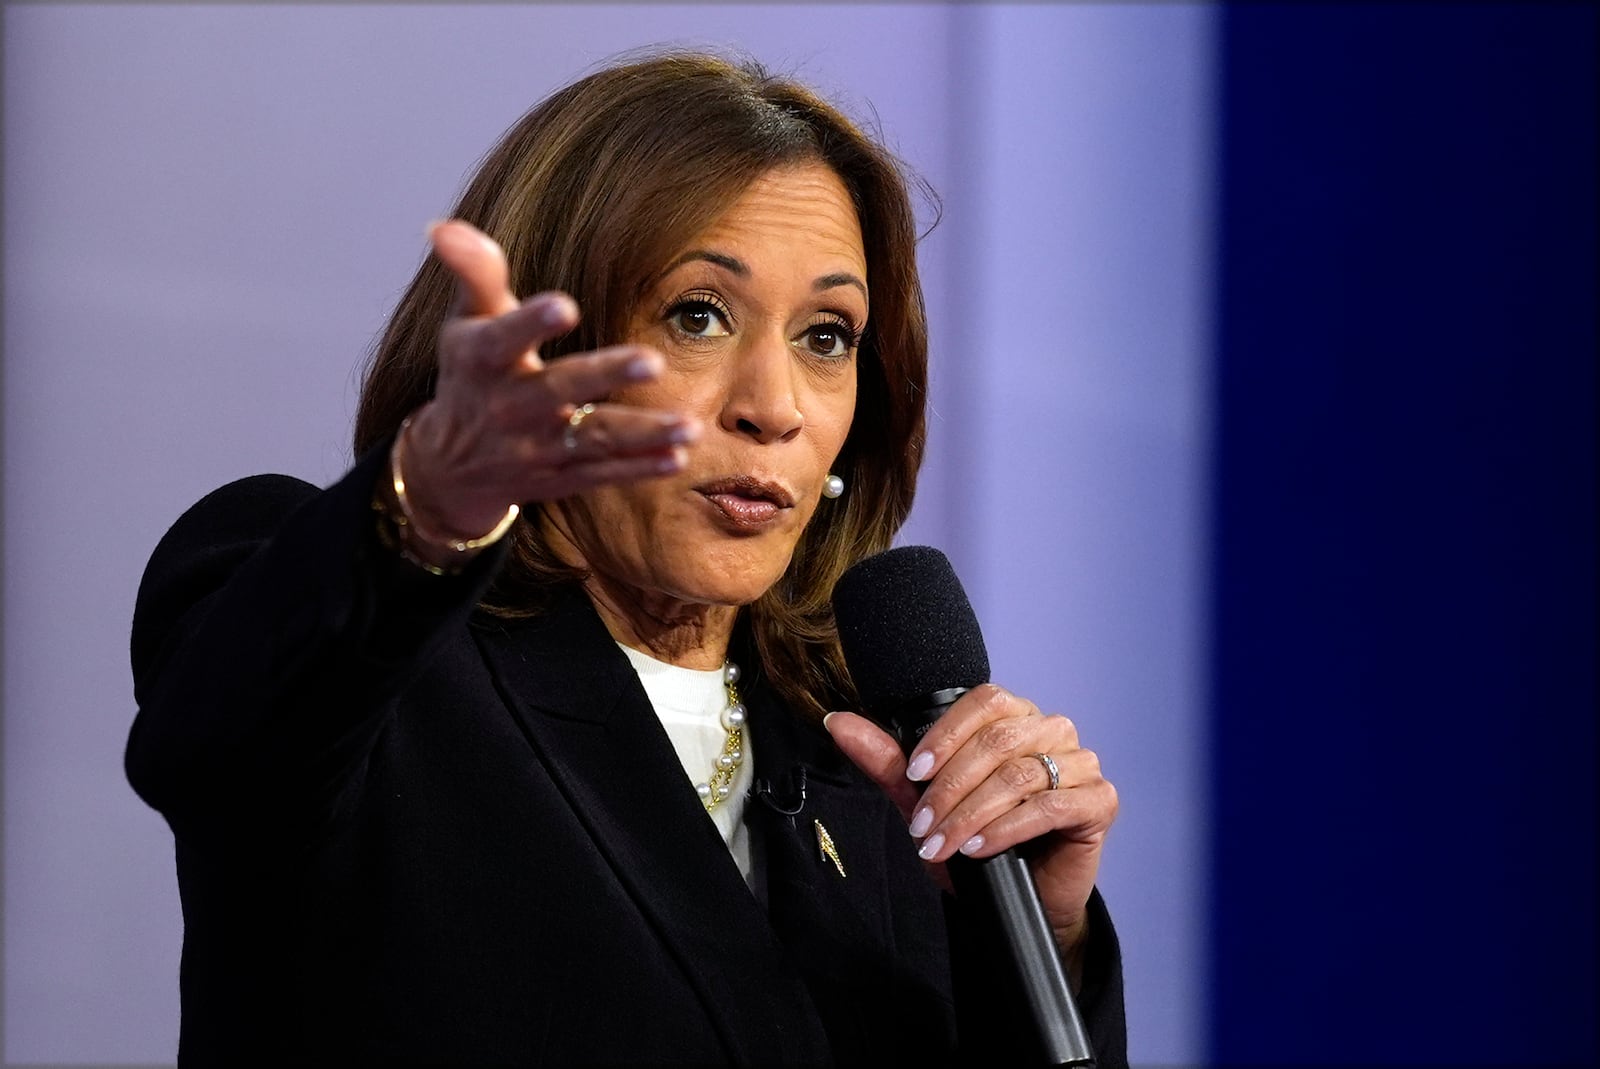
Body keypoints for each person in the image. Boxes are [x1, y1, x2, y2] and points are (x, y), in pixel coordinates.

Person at [127, 51, 1126, 1066]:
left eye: (826, 336)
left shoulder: (872, 759)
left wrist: (1043, 940)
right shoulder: (368, 664)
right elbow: (215, 745)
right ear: (545, 342)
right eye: (697, 316)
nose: (772, 406)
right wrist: (419, 506)